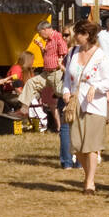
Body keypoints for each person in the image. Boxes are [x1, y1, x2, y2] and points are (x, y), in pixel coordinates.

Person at [63, 19, 109, 197]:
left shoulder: (101, 56)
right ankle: (87, 175)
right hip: (75, 103)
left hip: (94, 105)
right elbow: (67, 77)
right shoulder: (73, 52)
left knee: (91, 145)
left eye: (79, 33)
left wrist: (95, 87)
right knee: (77, 145)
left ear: (88, 35)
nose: (76, 36)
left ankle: (90, 182)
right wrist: (65, 91)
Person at [36, 21, 74, 169]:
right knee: (65, 127)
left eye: (66, 34)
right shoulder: (71, 50)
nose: (63, 37)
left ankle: (74, 161)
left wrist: (61, 67)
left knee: (71, 127)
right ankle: (68, 162)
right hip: (63, 88)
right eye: (63, 34)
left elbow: (73, 74)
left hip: (72, 91)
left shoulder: (71, 50)